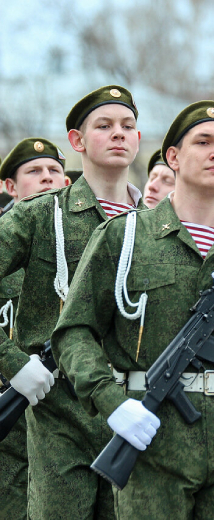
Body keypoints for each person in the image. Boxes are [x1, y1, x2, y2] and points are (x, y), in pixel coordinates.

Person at [52, 100, 214, 518]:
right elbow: (74, 332)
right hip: (153, 431)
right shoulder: (124, 238)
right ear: (174, 158)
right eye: (204, 141)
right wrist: (111, 401)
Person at [0, 85, 144, 519]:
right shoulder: (41, 214)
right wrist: (12, 361)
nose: (118, 134)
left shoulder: (157, 224)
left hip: (137, 406)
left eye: (128, 126)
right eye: (104, 126)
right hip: (61, 408)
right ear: (77, 142)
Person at [0, 138, 69, 520]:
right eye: (34, 171)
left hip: (63, 408)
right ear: (9, 186)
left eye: (55, 171)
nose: (47, 179)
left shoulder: (82, 243)